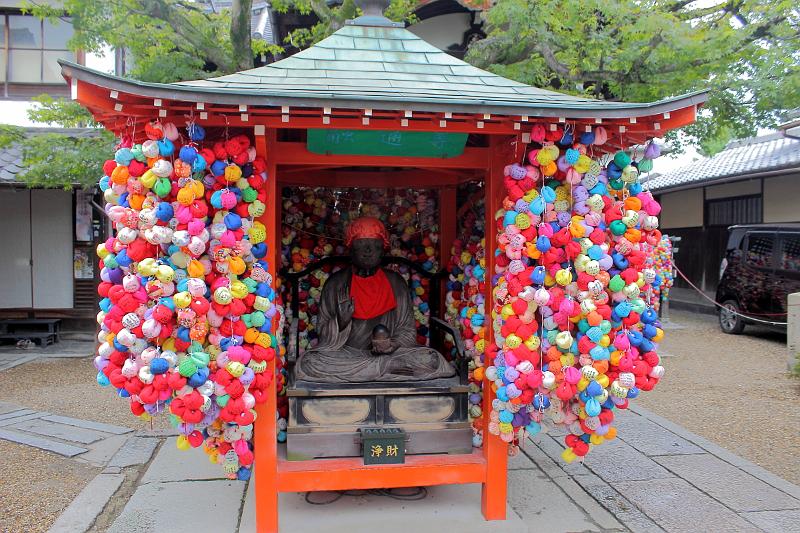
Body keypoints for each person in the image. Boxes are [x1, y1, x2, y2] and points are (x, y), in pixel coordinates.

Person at [294, 217, 455, 383]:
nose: (368, 250)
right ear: (350, 248)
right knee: (309, 362)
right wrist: (339, 322)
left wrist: (392, 345)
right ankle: (381, 370)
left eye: (375, 245)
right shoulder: (335, 284)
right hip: (347, 356)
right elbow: (323, 336)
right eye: (361, 245)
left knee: (432, 360)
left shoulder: (396, 283)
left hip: (388, 356)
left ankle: (375, 370)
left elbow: (407, 332)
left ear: (383, 250)